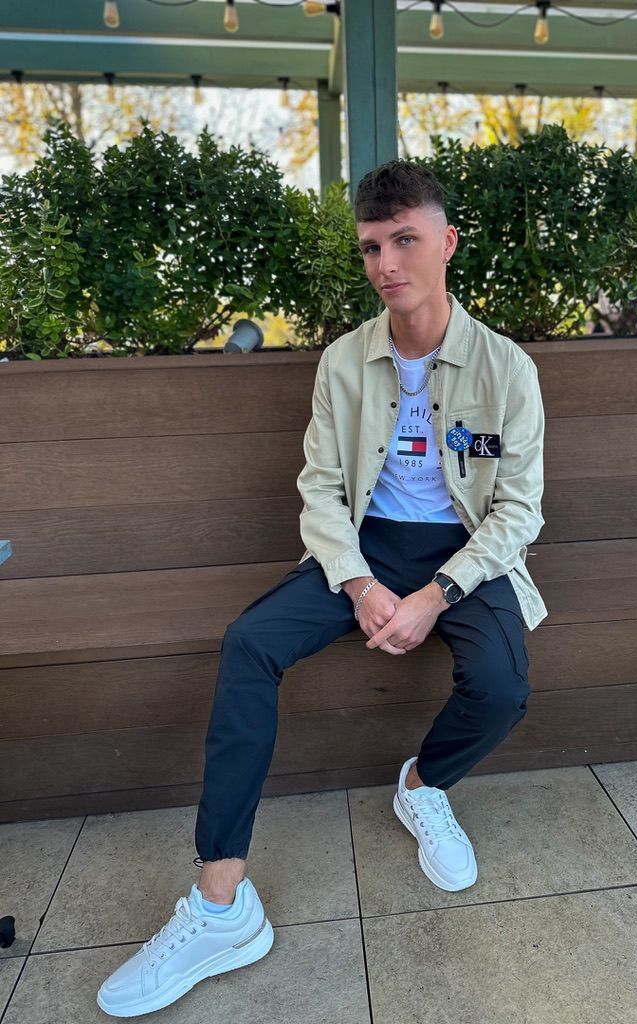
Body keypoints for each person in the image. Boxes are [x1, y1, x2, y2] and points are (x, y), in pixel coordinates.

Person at [97, 159, 548, 1018]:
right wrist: (357, 581)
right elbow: (319, 490)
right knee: (249, 644)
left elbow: (517, 515)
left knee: (502, 685)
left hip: (466, 550)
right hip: (364, 545)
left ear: (446, 243)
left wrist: (433, 596)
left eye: (405, 240)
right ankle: (222, 903)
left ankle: (424, 788)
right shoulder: (345, 363)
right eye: (373, 246)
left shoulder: (506, 369)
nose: (387, 263)